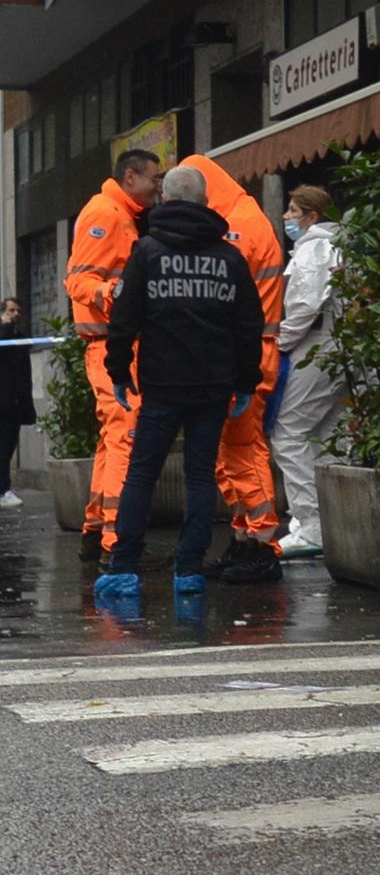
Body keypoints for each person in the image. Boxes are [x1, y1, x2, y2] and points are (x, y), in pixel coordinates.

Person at [91, 165, 262, 599]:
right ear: (206, 203)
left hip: (163, 385)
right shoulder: (229, 258)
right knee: (200, 477)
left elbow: (125, 320)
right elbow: (248, 326)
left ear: (165, 201)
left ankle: (124, 566)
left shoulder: (147, 252)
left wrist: (116, 372)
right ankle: (189, 570)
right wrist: (245, 383)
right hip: (214, 385)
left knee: (142, 475)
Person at [184, 154, 286, 583]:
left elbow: (221, 294)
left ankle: (263, 546)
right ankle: (246, 539)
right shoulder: (240, 216)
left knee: (244, 451)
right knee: (233, 453)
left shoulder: (239, 226)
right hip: (245, 350)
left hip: (246, 353)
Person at [66, 148, 160, 560]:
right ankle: (116, 541)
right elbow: (79, 280)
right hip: (110, 342)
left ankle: (97, 530)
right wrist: (116, 297)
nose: (158, 186)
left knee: (114, 439)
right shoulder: (106, 213)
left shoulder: (119, 213)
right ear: (131, 177)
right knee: (125, 436)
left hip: (112, 341)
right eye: (154, 178)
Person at [269, 185, 342, 559]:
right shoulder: (336, 246)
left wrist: (277, 343)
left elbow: (304, 305)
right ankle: (328, 523)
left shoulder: (314, 249)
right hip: (337, 347)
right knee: (326, 436)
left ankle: (312, 524)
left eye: (293, 211)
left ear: (312, 216)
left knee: (288, 433)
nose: (286, 218)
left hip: (315, 345)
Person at [0, 298, 33, 508]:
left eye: (18, 310)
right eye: (11, 310)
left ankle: (3, 489)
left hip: (14, 403)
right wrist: (5, 327)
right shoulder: (4, 334)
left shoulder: (18, 337)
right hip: (2, 402)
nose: (16, 314)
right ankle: (3, 490)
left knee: (6, 448)